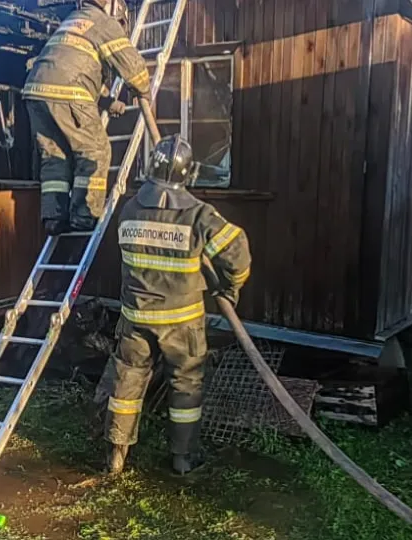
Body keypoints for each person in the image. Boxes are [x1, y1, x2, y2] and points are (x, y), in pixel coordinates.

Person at [103, 135, 251, 475]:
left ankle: (116, 456)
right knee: (185, 387)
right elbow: (237, 251)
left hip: (135, 318)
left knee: (126, 383)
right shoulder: (199, 215)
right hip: (182, 324)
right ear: (190, 174)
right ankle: (182, 459)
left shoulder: (129, 209)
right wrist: (230, 288)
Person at [23, 0, 151, 235]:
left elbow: (75, 69)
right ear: (114, 9)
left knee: (55, 157)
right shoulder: (103, 22)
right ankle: (84, 216)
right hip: (67, 93)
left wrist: (107, 102)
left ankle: (53, 218)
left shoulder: (73, 21)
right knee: (94, 151)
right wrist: (144, 89)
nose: (121, 26)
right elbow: (135, 70)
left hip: (35, 92)